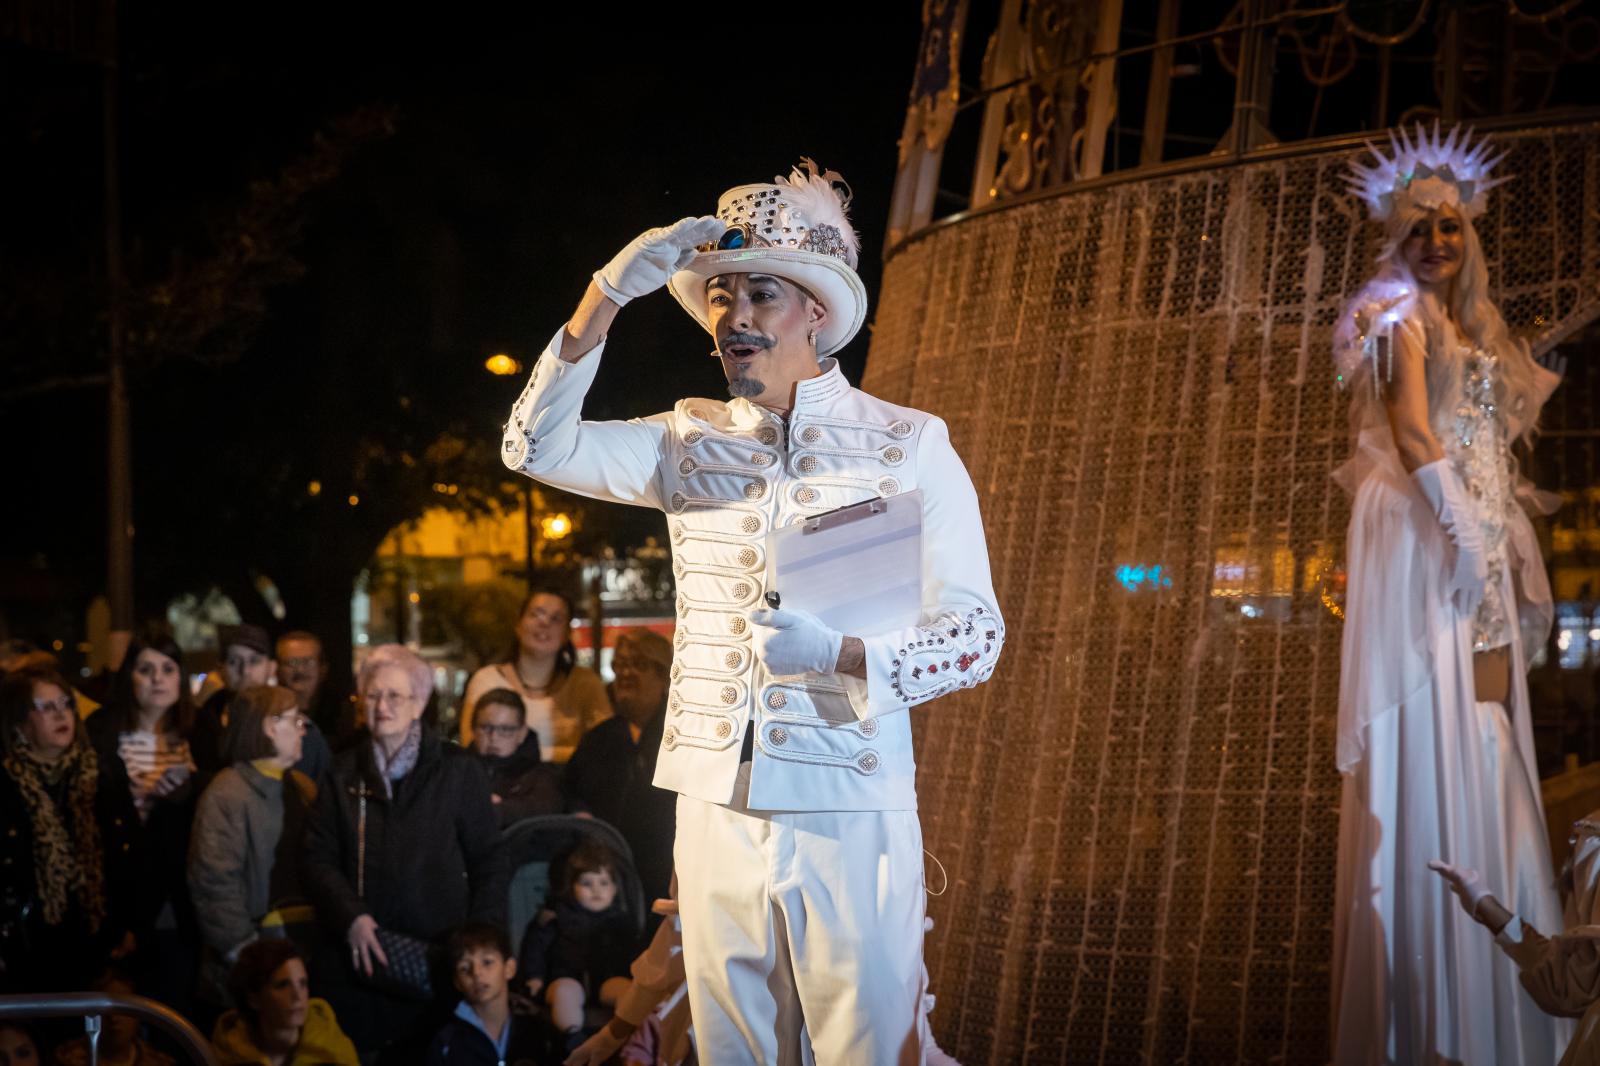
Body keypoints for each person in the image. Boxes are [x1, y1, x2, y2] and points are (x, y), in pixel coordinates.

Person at [499, 158, 1004, 1062]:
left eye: (761, 294)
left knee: (865, 1047)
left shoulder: (908, 443)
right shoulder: (683, 438)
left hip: (848, 801)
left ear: (816, 309)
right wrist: (607, 295)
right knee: (731, 1048)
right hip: (711, 802)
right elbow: (533, 445)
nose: (734, 318)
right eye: (722, 298)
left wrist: (844, 655)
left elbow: (975, 636)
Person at [1331, 122, 1570, 1063]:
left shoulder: (1472, 323)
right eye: (1418, 227)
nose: (1435, 241)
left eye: (1450, 226)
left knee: (1495, 720)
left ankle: (1507, 965)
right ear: (1396, 237)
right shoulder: (1397, 316)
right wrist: (1464, 535)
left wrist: (1492, 534)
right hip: (1430, 538)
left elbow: (1483, 435)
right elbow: (1415, 432)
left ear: (1470, 232)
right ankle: (1442, 1002)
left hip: (1474, 533)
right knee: (1452, 715)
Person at [302, 643, 509, 1065]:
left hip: (435, 958)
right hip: (361, 958)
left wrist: (482, 942)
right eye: (373, 695)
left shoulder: (456, 770)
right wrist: (351, 916)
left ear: (419, 705)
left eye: (395, 696)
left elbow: (489, 858)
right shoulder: (341, 773)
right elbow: (317, 857)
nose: (382, 706)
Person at [84, 627, 202, 1014]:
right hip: (114, 898)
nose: (157, 679)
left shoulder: (199, 735)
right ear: (128, 676)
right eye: (145, 669)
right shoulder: (101, 733)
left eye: (168, 669)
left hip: (174, 904)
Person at [0, 667, 139, 991]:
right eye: (46, 708)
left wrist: (130, 925)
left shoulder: (99, 772)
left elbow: (131, 852)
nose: (61, 714)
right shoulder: (7, 784)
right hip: (29, 949)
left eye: (65, 703)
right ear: (20, 723)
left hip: (99, 944)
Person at [188, 686, 318, 1008]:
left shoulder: (302, 787)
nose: (304, 728)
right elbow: (214, 884)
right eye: (296, 720)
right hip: (254, 972)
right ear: (270, 726)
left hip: (302, 950)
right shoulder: (227, 793)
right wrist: (249, 960)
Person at [563, 630, 676, 905]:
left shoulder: (682, 736)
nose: (626, 674)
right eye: (620, 665)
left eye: (639, 665)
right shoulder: (599, 739)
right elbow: (570, 790)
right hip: (607, 885)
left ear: (664, 676)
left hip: (668, 878)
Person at [459, 590, 609, 761]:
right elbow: (470, 745)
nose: (544, 623)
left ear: (567, 634)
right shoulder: (486, 681)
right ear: (518, 625)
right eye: (536, 614)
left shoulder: (585, 684)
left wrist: (524, 754)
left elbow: (605, 750)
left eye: (556, 619)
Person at [518, 843, 635, 1053]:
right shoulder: (555, 917)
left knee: (629, 991)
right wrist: (534, 976)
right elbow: (535, 948)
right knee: (565, 992)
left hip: (608, 979)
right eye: (586, 883)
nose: (596, 889)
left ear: (615, 889)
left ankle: (630, 1039)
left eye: (604, 883)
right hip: (565, 977)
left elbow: (634, 953)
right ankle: (574, 1041)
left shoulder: (620, 921)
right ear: (570, 887)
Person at [210, 939, 360, 1066]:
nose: (297, 996)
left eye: (303, 984)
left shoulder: (332, 1051)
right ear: (254, 999)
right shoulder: (229, 1055)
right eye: (282, 985)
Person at [425, 924, 541, 1066]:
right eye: (465, 968)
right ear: (457, 982)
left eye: (487, 962)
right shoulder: (446, 1042)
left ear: (509, 968)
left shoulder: (537, 1030)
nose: (476, 973)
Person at [467, 688, 562, 825]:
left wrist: (494, 810)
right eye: (486, 727)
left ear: (522, 733)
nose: (494, 737)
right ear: (473, 729)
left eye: (505, 729)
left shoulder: (542, 777)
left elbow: (541, 812)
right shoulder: (455, 770)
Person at [52, 969, 175, 1066]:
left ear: (138, 1012)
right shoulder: (67, 1059)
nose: (113, 1018)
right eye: (104, 1009)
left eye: (121, 1008)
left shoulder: (160, 1063)